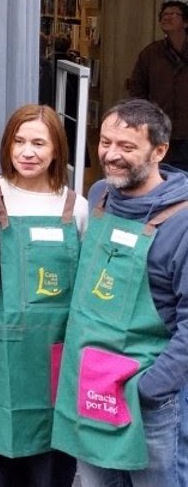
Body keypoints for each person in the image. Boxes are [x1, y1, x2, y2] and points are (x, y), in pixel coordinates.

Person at [51, 98, 188, 485]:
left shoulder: (182, 222)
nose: (111, 155)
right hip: (92, 384)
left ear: (159, 151)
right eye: (106, 142)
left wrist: (150, 389)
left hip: (148, 399)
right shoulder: (100, 197)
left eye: (127, 147)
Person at [0, 104, 86, 487]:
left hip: (53, 353)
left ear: (56, 150)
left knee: (49, 466)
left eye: (38, 142)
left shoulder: (75, 207)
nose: (27, 152)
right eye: (18, 141)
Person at [127, 0, 188, 171]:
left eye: (173, 14)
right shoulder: (151, 53)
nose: (167, 18)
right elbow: (137, 90)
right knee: (161, 177)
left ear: (185, 22)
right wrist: (146, 119)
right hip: (160, 130)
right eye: (164, 15)